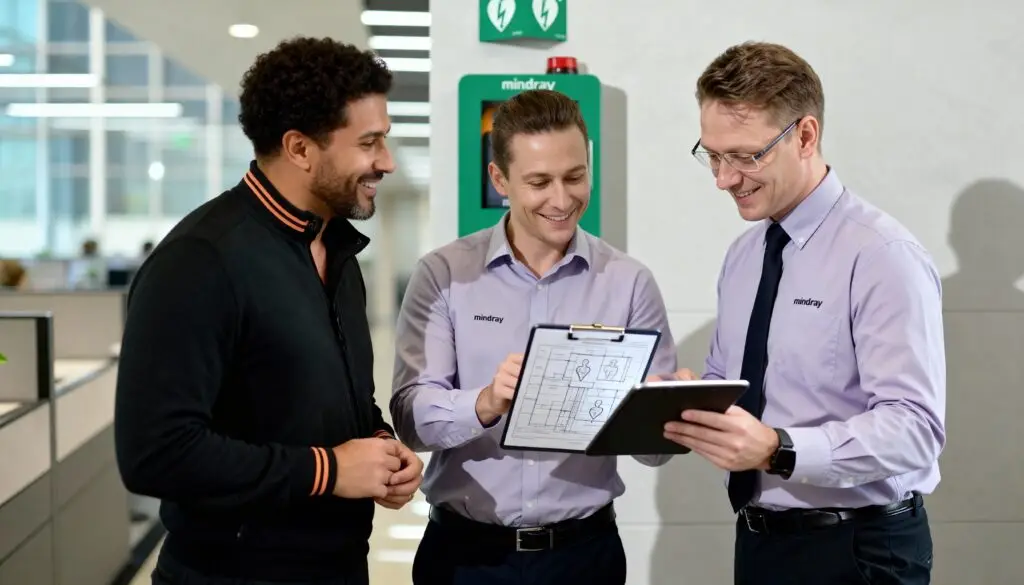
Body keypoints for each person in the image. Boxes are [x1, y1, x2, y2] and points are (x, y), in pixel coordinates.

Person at [113, 37, 423, 585]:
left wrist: (377, 447)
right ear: (300, 148)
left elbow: (324, 399)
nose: (387, 161)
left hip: (338, 568)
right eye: (370, 142)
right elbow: (154, 452)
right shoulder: (201, 260)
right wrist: (330, 471)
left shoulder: (340, 253)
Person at [661, 41, 946, 585]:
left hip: (861, 550)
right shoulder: (745, 256)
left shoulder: (883, 255)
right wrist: (685, 399)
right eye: (713, 156)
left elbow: (915, 429)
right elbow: (735, 383)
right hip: (760, 540)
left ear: (806, 136)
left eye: (744, 156)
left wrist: (778, 449)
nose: (723, 179)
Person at [390, 89, 678, 585]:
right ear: (499, 179)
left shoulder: (630, 282)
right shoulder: (443, 274)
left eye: (575, 177)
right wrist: (486, 402)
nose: (562, 200)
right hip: (465, 558)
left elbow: (655, 452)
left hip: (584, 557)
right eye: (539, 182)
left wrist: (668, 412)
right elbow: (411, 422)